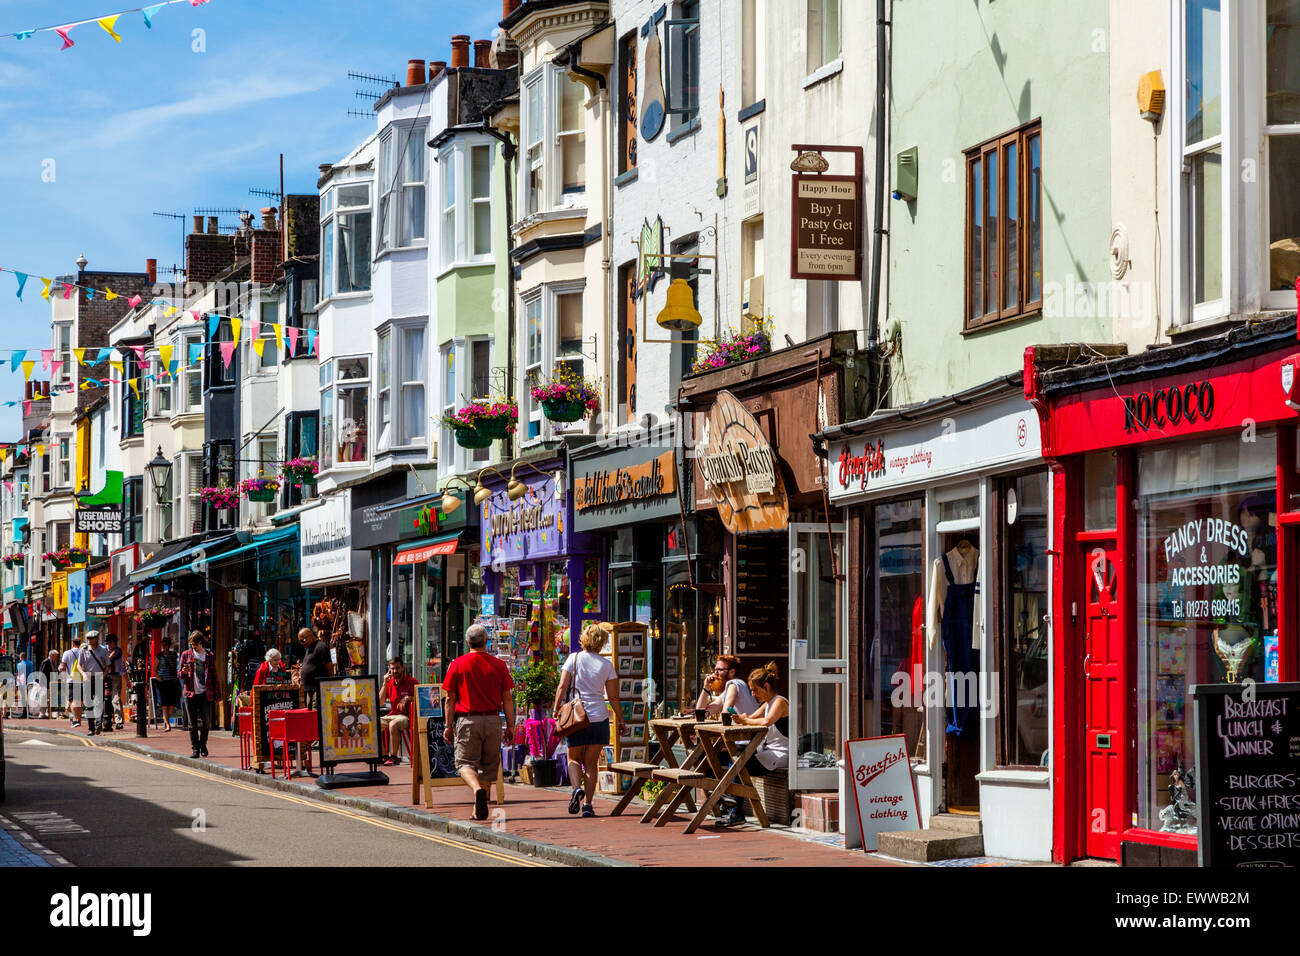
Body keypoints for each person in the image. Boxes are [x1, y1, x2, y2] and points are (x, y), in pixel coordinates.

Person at [442, 624, 515, 821]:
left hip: (468, 720)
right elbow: (507, 698)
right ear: (487, 641)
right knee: (488, 766)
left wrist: (448, 726)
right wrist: (510, 726)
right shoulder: (499, 665)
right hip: (493, 720)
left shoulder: (458, 664)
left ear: (467, 643)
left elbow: (450, 698)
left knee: (465, 763)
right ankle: (478, 809)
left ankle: (476, 791)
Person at [551, 623, 621, 818]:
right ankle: (588, 805)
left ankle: (575, 789)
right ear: (602, 642)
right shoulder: (606, 665)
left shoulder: (573, 659)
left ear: (583, 639)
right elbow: (613, 697)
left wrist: (556, 709)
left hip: (576, 716)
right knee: (591, 763)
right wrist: (620, 720)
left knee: (573, 758)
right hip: (598, 717)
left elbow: (562, 686)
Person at [718, 661, 789, 827]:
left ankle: (733, 806)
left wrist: (745, 720)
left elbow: (765, 721)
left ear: (765, 686)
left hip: (780, 754)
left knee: (739, 761)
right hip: (767, 752)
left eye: (755, 690)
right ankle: (728, 801)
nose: (753, 694)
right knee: (732, 754)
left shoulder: (779, 702)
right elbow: (752, 717)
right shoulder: (767, 704)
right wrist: (740, 718)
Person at [178, 631, 217, 758]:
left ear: (200, 643)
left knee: (206, 721)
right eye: (191, 644)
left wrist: (217, 695)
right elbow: (179, 674)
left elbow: (214, 676)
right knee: (192, 723)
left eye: (194, 644)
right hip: (190, 693)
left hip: (205, 693)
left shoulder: (209, 656)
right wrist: (183, 672)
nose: (192, 647)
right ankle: (195, 748)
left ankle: (203, 745)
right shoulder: (186, 655)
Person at [76, 630, 114, 736]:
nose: (88, 640)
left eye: (91, 638)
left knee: (98, 703)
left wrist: (103, 676)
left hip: (98, 678)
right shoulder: (83, 650)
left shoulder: (103, 650)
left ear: (96, 638)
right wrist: (83, 674)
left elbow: (108, 665)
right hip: (87, 678)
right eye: (87, 638)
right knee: (88, 704)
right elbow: (79, 665)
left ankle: (98, 724)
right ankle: (91, 728)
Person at [379, 658, 416, 766]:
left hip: (407, 717)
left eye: (397, 668)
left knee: (393, 724)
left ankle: (394, 757)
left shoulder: (412, 681)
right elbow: (380, 702)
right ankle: (385, 755)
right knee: (372, 725)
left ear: (402, 668)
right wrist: (384, 684)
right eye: (392, 669)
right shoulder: (389, 683)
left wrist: (408, 698)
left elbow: (422, 697)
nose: (395, 671)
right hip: (393, 715)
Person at [297, 627, 331, 712]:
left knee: (316, 712)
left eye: (303, 640)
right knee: (309, 712)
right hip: (309, 688)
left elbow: (329, 666)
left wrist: (329, 683)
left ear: (310, 636)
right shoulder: (309, 648)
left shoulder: (320, 647)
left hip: (318, 688)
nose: (301, 643)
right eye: (300, 641)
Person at [154, 636, 181, 731]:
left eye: (167, 644)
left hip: (172, 681)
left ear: (169, 645)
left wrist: (177, 675)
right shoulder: (159, 656)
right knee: (164, 704)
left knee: (172, 704)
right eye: (164, 644)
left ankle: (166, 720)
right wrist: (159, 678)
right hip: (163, 683)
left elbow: (177, 666)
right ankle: (168, 724)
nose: (165, 646)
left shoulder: (174, 655)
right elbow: (154, 670)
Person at [105, 635, 128, 730]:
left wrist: (127, 680)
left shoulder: (118, 652)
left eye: (114, 642)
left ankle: (119, 721)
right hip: (105, 676)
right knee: (105, 699)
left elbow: (122, 667)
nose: (114, 644)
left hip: (116, 677)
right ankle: (105, 721)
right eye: (111, 642)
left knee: (116, 699)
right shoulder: (103, 651)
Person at [60, 636, 84, 727]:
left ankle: (75, 720)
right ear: (80, 643)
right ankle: (79, 720)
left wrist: (63, 678)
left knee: (72, 701)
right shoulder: (83, 652)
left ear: (72, 643)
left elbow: (63, 667)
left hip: (71, 679)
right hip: (81, 680)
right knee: (79, 701)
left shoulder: (67, 653)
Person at [38, 649, 59, 718]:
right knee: (43, 698)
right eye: (56, 656)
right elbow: (42, 673)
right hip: (45, 683)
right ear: (52, 655)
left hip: (51, 683)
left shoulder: (53, 662)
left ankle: (49, 713)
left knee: (49, 699)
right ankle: (42, 713)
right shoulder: (46, 662)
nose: (56, 658)